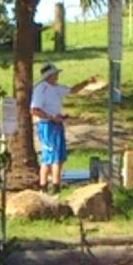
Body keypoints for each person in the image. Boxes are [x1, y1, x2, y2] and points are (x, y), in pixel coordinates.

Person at [29, 63, 99, 191]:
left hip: (57, 124)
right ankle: (46, 185)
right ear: (49, 75)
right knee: (49, 157)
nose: (57, 76)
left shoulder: (56, 88)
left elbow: (72, 90)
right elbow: (34, 110)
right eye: (55, 74)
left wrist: (86, 82)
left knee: (59, 156)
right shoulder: (41, 89)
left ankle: (56, 184)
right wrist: (51, 117)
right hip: (47, 125)